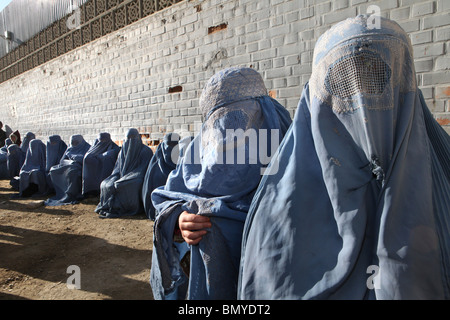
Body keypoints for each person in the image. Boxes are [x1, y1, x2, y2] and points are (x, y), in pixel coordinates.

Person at [238, 15, 450, 300]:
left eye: (377, 79)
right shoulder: (277, 212)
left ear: (406, 85)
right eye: (342, 85)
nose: (363, 110)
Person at [150, 67, 292, 300]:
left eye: (243, 120)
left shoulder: (293, 155)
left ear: (266, 114)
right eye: (223, 124)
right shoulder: (195, 157)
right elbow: (167, 198)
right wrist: (178, 222)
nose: (232, 137)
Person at [95, 128, 153, 219]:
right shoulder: (122, 152)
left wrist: (126, 178)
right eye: (128, 138)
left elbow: (142, 169)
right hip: (121, 175)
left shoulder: (146, 151)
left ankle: (130, 208)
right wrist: (115, 178)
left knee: (129, 184)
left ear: (138, 138)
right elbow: (117, 169)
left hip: (137, 177)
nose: (130, 141)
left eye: (133, 137)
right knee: (106, 184)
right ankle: (110, 207)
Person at [142, 132, 193, 221]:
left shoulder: (183, 166)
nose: (171, 149)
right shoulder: (155, 167)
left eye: (174, 145)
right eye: (169, 144)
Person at [45, 135, 91, 206]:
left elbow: (87, 159)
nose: (74, 144)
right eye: (72, 142)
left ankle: (70, 194)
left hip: (80, 168)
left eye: (76, 142)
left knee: (72, 172)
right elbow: (62, 160)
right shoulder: (70, 148)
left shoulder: (87, 147)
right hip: (67, 165)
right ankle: (60, 192)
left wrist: (77, 158)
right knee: (53, 170)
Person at [82, 132, 120, 197]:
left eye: (104, 140)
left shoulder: (114, 148)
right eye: (100, 140)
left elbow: (109, 155)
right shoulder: (95, 146)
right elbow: (88, 156)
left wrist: (99, 157)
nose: (102, 142)